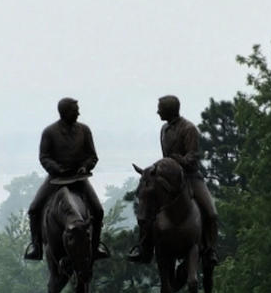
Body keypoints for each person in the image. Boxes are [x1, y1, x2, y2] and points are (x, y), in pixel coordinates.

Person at [128, 95, 218, 266]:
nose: (158, 112)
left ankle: (210, 249)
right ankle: (144, 247)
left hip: (191, 177)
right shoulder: (164, 129)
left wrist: (179, 160)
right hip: (169, 177)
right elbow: (166, 157)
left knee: (211, 213)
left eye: (160, 109)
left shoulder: (189, 128)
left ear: (169, 109)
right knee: (147, 207)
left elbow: (193, 156)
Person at [24, 97, 109, 261]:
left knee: (98, 210)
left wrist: (85, 167)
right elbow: (44, 157)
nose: (78, 114)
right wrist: (57, 169)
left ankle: (95, 246)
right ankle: (36, 247)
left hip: (79, 178)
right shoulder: (49, 132)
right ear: (64, 112)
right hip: (56, 179)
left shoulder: (84, 130)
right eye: (75, 111)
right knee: (34, 209)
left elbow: (92, 156)